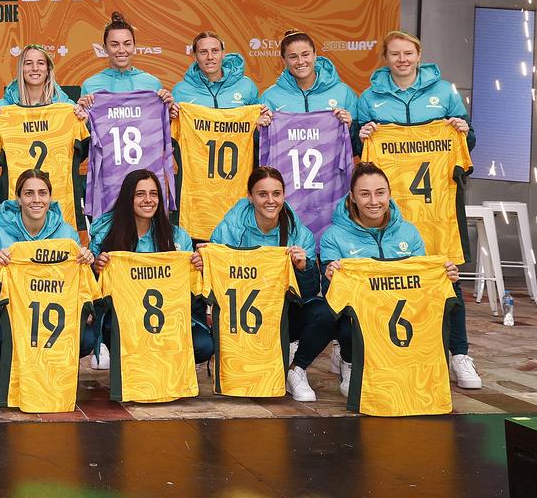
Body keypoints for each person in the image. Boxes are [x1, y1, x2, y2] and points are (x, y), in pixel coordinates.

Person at [318, 163, 478, 394]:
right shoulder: (334, 235)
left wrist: (444, 276)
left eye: (380, 192)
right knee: (334, 308)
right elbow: (328, 291)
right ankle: (349, 359)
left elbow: (423, 280)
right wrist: (331, 275)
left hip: (401, 309)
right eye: (365, 194)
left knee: (451, 285)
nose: (374, 201)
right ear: (352, 197)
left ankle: (459, 356)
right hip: (363, 314)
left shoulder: (408, 232)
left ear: (389, 194)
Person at [208, 167, 331, 402]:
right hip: (239, 317)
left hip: (281, 313)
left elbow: (309, 292)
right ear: (250, 196)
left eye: (276, 193)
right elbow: (214, 275)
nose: (270, 200)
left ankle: (297, 369)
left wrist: (303, 269)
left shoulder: (298, 232)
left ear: (284, 196)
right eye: (262, 194)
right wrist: (205, 260)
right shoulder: (229, 229)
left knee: (324, 313)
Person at [89, 169, 211, 364]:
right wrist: (96, 268)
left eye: (153, 194)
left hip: (169, 320)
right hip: (123, 322)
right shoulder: (106, 234)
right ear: (128, 198)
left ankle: (172, 367)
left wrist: (199, 267)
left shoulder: (177, 237)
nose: (148, 199)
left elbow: (191, 289)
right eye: (140, 194)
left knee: (203, 345)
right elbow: (92, 288)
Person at [0, 169, 94, 360]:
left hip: (57, 317)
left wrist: (85, 259)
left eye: (42, 193)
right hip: (14, 318)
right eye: (28, 193)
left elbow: (79, 281)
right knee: (2, 340)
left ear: (50, 198)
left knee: (85, 340)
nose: (36, 199)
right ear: (18, 198)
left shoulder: (67, 234)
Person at [355, 30, 473, 147]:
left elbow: (469, 142)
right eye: (395, 54)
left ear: (418, 55)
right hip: (388, 166)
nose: (402, 59)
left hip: (438, 166)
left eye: (408, 53)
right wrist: (362, 140)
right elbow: (360, 150)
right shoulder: (368, 97)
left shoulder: (446, 91)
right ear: (385, 57)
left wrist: (465, 134)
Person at [260, 30, 357, 122]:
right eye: (293, 57)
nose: (300, 62)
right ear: (284, 60)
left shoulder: (344, 93)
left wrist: (350, 127)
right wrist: (259, 130)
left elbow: (359, 137)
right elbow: (259, 138)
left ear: (315, 55)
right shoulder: (269, 97)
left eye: (305, 55)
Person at [172, 32, 267, 124]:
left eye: (215, 51)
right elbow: (174, 134)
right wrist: (170, 118)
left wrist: (259, 126)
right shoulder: (180, 91)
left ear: (223, 53)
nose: (210, 57)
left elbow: (256, 130)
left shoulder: (246, 85)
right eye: (203, 52)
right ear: (195, 56)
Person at [78, 13, 172, 103]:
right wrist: (80, 114)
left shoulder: (153, 83)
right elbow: (85, 119)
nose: (121, 50)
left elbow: (158, 118)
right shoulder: (90, 85)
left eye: (127, 44)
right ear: (105, 48)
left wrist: (169, 110)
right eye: (115, 45)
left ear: (134, 46)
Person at [0, 45, 80, 111]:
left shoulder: (68, 107)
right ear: (21, 70)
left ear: (48, 69)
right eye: (28, 63)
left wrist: (84, 122)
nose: (35, 68)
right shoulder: (2, 108)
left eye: (40, 63)